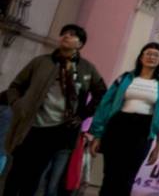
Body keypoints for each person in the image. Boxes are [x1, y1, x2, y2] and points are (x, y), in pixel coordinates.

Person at [3, 24, 106, 196]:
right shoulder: (41, 62)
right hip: (30, 125)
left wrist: (83, 115)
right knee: (16, 171)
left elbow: (102, 93)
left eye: (72, 35)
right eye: (63, 33)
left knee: (36, 175)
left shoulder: (86, 68)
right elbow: (16, 86)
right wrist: (17, 104)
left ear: (80, 44)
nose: (66, 36)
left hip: (57, 130)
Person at [89, 42, 159, 196]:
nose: (151, 57)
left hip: (143, 131)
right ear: (141, 57)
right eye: (148, 53)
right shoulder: (125, 78)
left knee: (127, 178)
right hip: (118, 126)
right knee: (110, 176)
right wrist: (97, 135)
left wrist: (158, 146)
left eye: (156, 55)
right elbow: (105, 104)